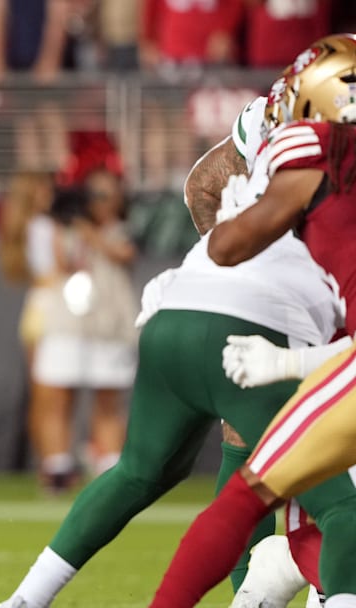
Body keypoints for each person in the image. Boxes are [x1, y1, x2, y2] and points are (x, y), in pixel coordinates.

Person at [0, 38, 356, 608]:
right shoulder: (323, 157)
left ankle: (23, 600)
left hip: (179, 307)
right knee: (333, 500)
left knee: (159, 474)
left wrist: (214, 262)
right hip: (266, 323)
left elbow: (210, 197)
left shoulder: (270, 127)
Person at [150, 35, 356, 608]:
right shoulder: (294, 120)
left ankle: (289, 572)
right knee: (263, 465)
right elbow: (207, 187)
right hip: (324, 322)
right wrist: (249, 290)